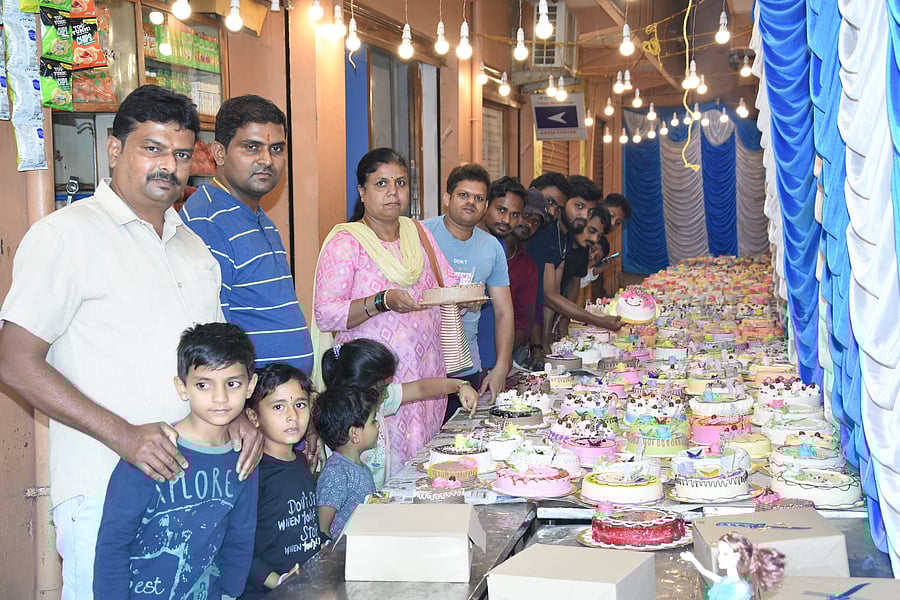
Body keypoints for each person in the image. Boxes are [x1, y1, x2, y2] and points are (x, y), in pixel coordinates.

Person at [0, 84, 262, 598]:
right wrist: (122, 434)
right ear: (115, 149)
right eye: (153, 148)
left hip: (198, 496)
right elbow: (14, 361)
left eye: (181, 153)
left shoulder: (192, 246)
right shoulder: (65, 236)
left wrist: (242, 418)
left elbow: (215, 362)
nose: (169, 165)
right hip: (104, 491)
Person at [94, 323, 259, 599]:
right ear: (182, 388)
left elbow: (240, 538)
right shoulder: (151, 452)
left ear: (250, 386)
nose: (220, 397)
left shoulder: (244, 455)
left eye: (232, 384)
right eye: (203, 385)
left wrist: (230, 593)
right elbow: (113, 546)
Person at [314, 148, 456, 469]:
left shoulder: (417, 233)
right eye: (381, 184)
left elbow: (446, 282)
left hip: (427, 376)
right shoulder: (346, 243)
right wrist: (382, 301)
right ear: (362, 191)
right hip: (378, 385)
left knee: (428, 471)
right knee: (387, 472)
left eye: (401, 183)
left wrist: (467, 295)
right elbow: (327, 313)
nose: (393, 192)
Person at [180, 95, 314, 375]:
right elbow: (212, 336)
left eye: (276, 149)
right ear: (218, 153)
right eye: (252, 147)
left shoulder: (259, 218)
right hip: (247, 405)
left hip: (276, 403)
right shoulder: (208, 220)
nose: (267, 160)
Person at [321, 339, 480, 489]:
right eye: (383, 388)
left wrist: (460, 386)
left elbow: (420, 388)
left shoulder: (378, 401)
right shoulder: (337, 421)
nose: (387, 394)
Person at [424, 164, 515, 421]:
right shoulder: (421, 234)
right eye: (463, 195)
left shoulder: (492, 248)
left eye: (478, 198)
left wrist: (501, 367)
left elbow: (504, 311)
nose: (471, 203)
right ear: (447, 198)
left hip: (465, 363)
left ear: (485, 205)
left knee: (458, 440)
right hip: (422, 361)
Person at [242, 364, 321, 598]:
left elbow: (306, 525)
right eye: (279, 406)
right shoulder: (253, 473)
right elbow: (238, 546)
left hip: (303, 587)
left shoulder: (300, 462)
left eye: (300, 404)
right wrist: (278, 580)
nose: (292, 416)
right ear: (253, 417)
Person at [526, 177, 622, 361]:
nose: (584, 216)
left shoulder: (566, 236)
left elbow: (556, 292)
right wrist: (600, 321)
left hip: (535, 330)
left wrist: (548, 341)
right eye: (579, 206)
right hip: (523, 327)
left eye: (590, 210)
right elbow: (548, 296)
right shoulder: (546, 231)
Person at [313, 386, 381, 540]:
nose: (377, 425)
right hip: (346, 556)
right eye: (373, 421)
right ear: (355, 434)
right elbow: (322, 529)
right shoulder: (336, 473)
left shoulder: (357, 466)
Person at [681, 532, 785, 600]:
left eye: (725, 554)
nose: (719, 557)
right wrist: (692, 559)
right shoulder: (726, 581)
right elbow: (704, 571)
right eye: (720, 553)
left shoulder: (740, 588)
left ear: (737, 556)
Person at [507, 189, 545, 369]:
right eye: (526, 215)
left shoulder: (528, 266)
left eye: (535, 221)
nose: (529, 223)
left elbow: (525, 319)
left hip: (508, 351)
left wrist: (503, 351)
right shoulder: (485, 247)